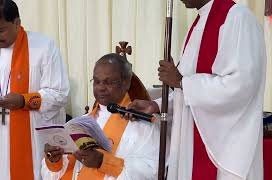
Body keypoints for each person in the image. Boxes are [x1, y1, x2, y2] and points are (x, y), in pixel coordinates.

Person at [128, 0, 267, 179]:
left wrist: (181, 81)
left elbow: (241, 86)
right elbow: (187, 92)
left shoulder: (237, 18)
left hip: (224, 152)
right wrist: (157, 106)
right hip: (190, 147)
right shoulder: (198, 23)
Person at [0, 0, 70, 179]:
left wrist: (24, 100)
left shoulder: (44, 48)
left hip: (29, 139)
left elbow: (59, 94)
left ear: (17, 23)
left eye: (1, 30)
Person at [41, 53, 160, 180]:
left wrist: (103, 162)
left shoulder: (143, 124)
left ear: (126, 83)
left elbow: (151, 171)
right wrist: (54, 160)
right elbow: (53, 174)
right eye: (97, 81)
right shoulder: (78, 124)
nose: (101, 87)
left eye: (109, 82)